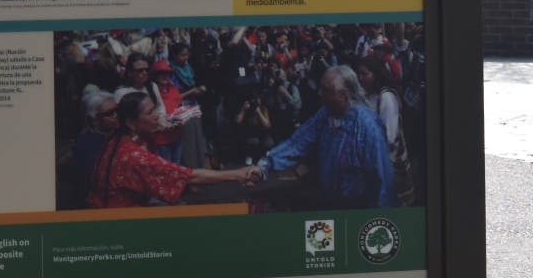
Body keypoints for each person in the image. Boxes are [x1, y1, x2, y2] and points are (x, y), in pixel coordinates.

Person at [249, 66, 396, 207]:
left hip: (356, 208)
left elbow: (382, 179)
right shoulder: (326, 114)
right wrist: (264, 166)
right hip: (329, 201)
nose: (319, 93)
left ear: (342, 95)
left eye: (325, 89)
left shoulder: (367, 126)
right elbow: (298, 143)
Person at [88, 92, 256, 207]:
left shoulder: (118, 134)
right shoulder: (133, 157)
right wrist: (238, 174)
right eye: (149, 112)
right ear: (131, 123)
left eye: (154, 109)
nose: (156, 115)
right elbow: (190, 176)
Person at [358, 55, 415, 206]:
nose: (361, 78)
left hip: (388, 158)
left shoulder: (387, 97)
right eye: (360, 74)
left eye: (365, 74)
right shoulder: (369, 96)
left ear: (376, 74)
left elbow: (388, 135)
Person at [64, 89, 119, 208]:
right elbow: (83, 184)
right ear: (93, 118)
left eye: (117, 110)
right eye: (109, 113)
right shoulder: (87, 145)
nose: (116, 116)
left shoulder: (113, 132)